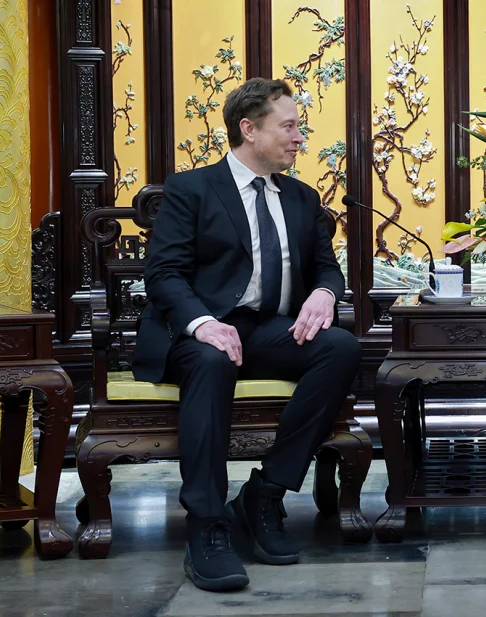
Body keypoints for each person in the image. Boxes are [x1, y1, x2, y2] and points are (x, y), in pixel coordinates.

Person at [133, 77, 362, 591]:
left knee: (341, 347)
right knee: (213, 362)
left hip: (267, 331)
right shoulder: (191, 189)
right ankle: (208, 525)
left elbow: (327, 269)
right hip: (198, 333)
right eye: (289, 125)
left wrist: (326, 294)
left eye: (298, 126)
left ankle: (266, 493)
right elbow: (163, 274)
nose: (299, 136)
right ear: (249, 129)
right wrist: (204, 324)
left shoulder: (302, 197)